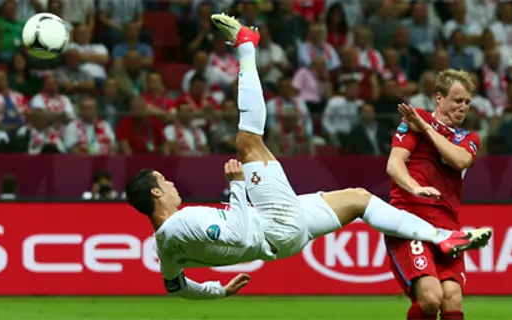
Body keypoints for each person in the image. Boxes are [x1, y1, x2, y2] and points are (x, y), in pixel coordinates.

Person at [125, 16, 493, 300]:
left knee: (359, 199)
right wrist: (237, 187)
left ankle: (442, 236)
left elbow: (175, 288)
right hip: (273, 224)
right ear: (156, 195)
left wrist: (219, 291)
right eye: (165, 182)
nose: (172, 184)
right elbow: (236, 231)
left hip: (283, 237)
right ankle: (246, 46)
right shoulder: (182, 221)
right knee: (248, 142)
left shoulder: (164, 249)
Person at [386, 69, 487, 320]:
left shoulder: (468, 138)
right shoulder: (415, 118)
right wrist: (413, 187)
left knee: (452, 296)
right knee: (431, 298)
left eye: (467, 102)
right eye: (457, 100)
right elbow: (394, 164)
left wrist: (427, 130)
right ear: (439, 99)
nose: (463, 107)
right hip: (410, 223)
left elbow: (459, 160)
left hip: (447, 231)